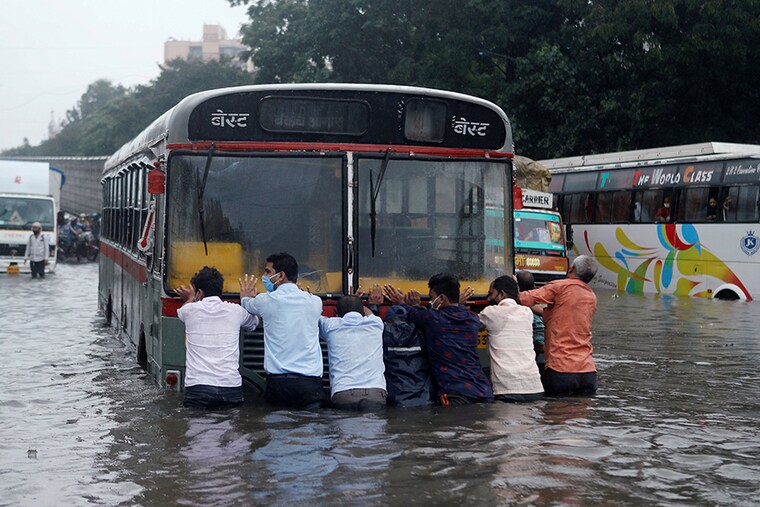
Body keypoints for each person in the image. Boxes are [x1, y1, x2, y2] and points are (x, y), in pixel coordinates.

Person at [384, 274, 493, 406]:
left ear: (441, 298)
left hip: (455, 395)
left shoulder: (432, 319)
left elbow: (413, 313)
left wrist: (402, 303)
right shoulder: (472, 319)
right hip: (484, 392)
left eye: (431, 298)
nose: (430, 302)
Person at [239, 252, 325, 410]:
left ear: (281, 276)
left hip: (279, 385)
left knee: (278, 429)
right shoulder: (315, 302)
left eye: (267, 272)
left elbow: (247, 304)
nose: (264, 276)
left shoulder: (266, 300)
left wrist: (244, 296)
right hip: (310, 386)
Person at [175, 266, 259, 409]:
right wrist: (247, 299)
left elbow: (182, 311)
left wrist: (190, 298)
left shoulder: (189, 310)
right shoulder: (236, 311)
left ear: (199, 293)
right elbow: (253, 323)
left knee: (196, 429)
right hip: (230, 388)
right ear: (221, 289)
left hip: (198, 388)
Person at [518, 255, 599, 396]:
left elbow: (523, 298)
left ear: (571, 268)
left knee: (554, 414)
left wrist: (510, 286)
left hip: (560, 370)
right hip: (588, 372)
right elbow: (556, 316)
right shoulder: (591, 297)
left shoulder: (560, 287)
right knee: (582, 415)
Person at [318, 288, 387, 411]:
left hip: (343, 394)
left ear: (336, 313)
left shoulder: (330, 326)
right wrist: (357, 302)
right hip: (375, 393)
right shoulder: (375, 324)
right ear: (362, 311)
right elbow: (369, 313)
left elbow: (312, 315)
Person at [479, 276, 543, 402]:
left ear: (501, 294)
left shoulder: (491, 313)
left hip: (507, 390)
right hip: (535, 388)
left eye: (491, 293)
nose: (488, 298)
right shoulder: (527, 313)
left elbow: (468, 323)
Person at [372, 302, 434, 407]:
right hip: (424, 399)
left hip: (396, 401)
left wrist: (373, 306)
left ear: (386, 322)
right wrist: (416, 306)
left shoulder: (382, 335)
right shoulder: (421, 333)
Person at [515, 270, 546, 374]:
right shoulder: (538, 308)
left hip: (537, 359)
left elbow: (540, 343)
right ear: (533, 286)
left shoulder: (525, 312)